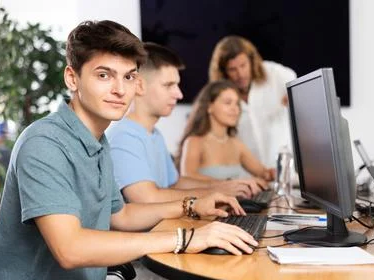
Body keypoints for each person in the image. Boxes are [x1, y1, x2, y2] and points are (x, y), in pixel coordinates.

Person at [0, 20, 257, 280]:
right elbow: (70, 249)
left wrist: (191, 205)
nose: (120, 90)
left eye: (129, 76)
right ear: (72, 78)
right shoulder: (44, 143)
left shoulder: (98, 140)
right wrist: (186, 238)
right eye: (104, 75)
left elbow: (121, 215)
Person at [106, 42, 266, 206]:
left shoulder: (154, 134)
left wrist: (223, 186)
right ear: (139, 85)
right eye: (169, 85)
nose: (179, 94)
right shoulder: (124, 137)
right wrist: (215, 192)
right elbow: (148, 198)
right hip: (154, 232)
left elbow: (175, 184)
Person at [209, 35, 296, 168]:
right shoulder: (220, 94)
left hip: (283, 168)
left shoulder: (274, 74)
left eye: (243, 65)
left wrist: (294, 96)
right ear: (224, 72)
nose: (240, 74)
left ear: (252, 61)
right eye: (233, 69)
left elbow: (298, 86)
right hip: (247, 174)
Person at [178, 80, 275, 182]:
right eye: (228, 103)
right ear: (209, 107)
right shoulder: (194, 142)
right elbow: (187, 177)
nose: (235, 109)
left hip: (236, 198)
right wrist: (232, 184)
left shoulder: (237, 144)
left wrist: (274, 173)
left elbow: (265, 174)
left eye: (237, 104)